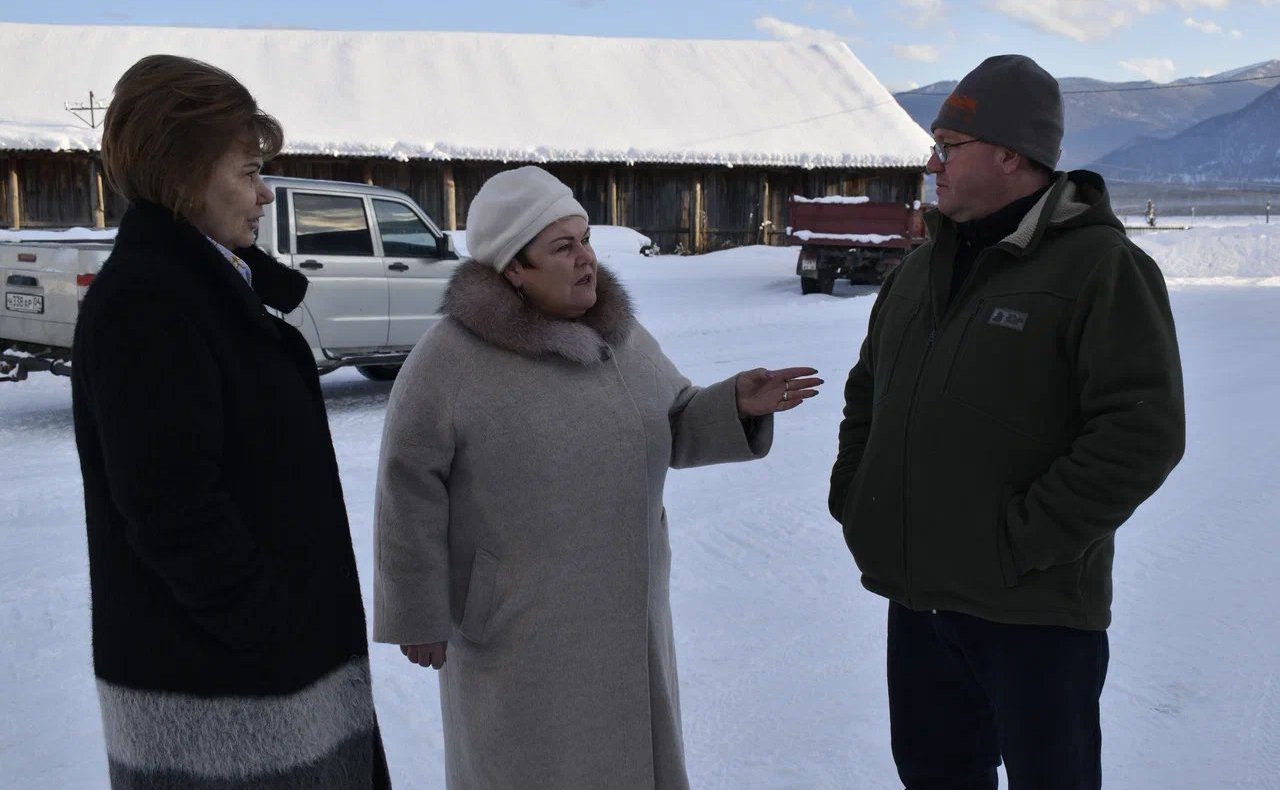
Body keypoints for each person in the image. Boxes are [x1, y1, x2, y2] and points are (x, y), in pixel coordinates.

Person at [373, 166, 822, 789]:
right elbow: (407, 490)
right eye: (563, 247)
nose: (587, 260)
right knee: (531, 768)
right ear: (513, 270)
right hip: (517, 626)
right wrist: (417, 613)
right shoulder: (449, 359)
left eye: (584, 239)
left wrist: (735, 407)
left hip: (625, 616)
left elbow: (673, 424)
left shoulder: (622, 336)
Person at [828, 55, 1185, 790]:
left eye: (948, 147)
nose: (932, 163)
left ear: (1010, 155)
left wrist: (1020, 543)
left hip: (1036, 618)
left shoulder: (1100, 269)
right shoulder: (916, 273)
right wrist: (855, 494)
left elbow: (1141, 431)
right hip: (920, 603)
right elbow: (868, 391)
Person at [72, 55, 390, 789]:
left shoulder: (208, 282)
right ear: (183, 176)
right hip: (226, 708)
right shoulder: (149, 303)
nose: (265, 192)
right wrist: (269, 628)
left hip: (265, 685)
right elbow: (171, 507)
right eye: (247, 172)